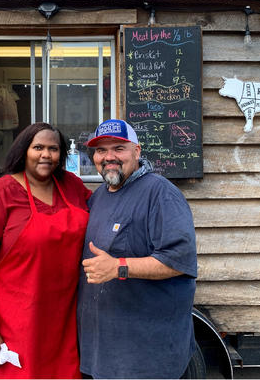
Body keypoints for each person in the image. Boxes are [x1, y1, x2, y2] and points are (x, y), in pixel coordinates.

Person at [0, 122, 91, 379]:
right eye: (38, 147)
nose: (46, 155)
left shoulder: (71, 186)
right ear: (23, 151)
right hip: (20, 321)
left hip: (66, 319)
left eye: (53, 149)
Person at [77, 119, 198, 379]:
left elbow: (178, 260)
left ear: (137, 151)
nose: (109, 157)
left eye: (118, 148)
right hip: (104, 349)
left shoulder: (161, 194)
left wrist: (119, 267)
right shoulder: (99, 196)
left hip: (147, 355)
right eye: (101, 150)